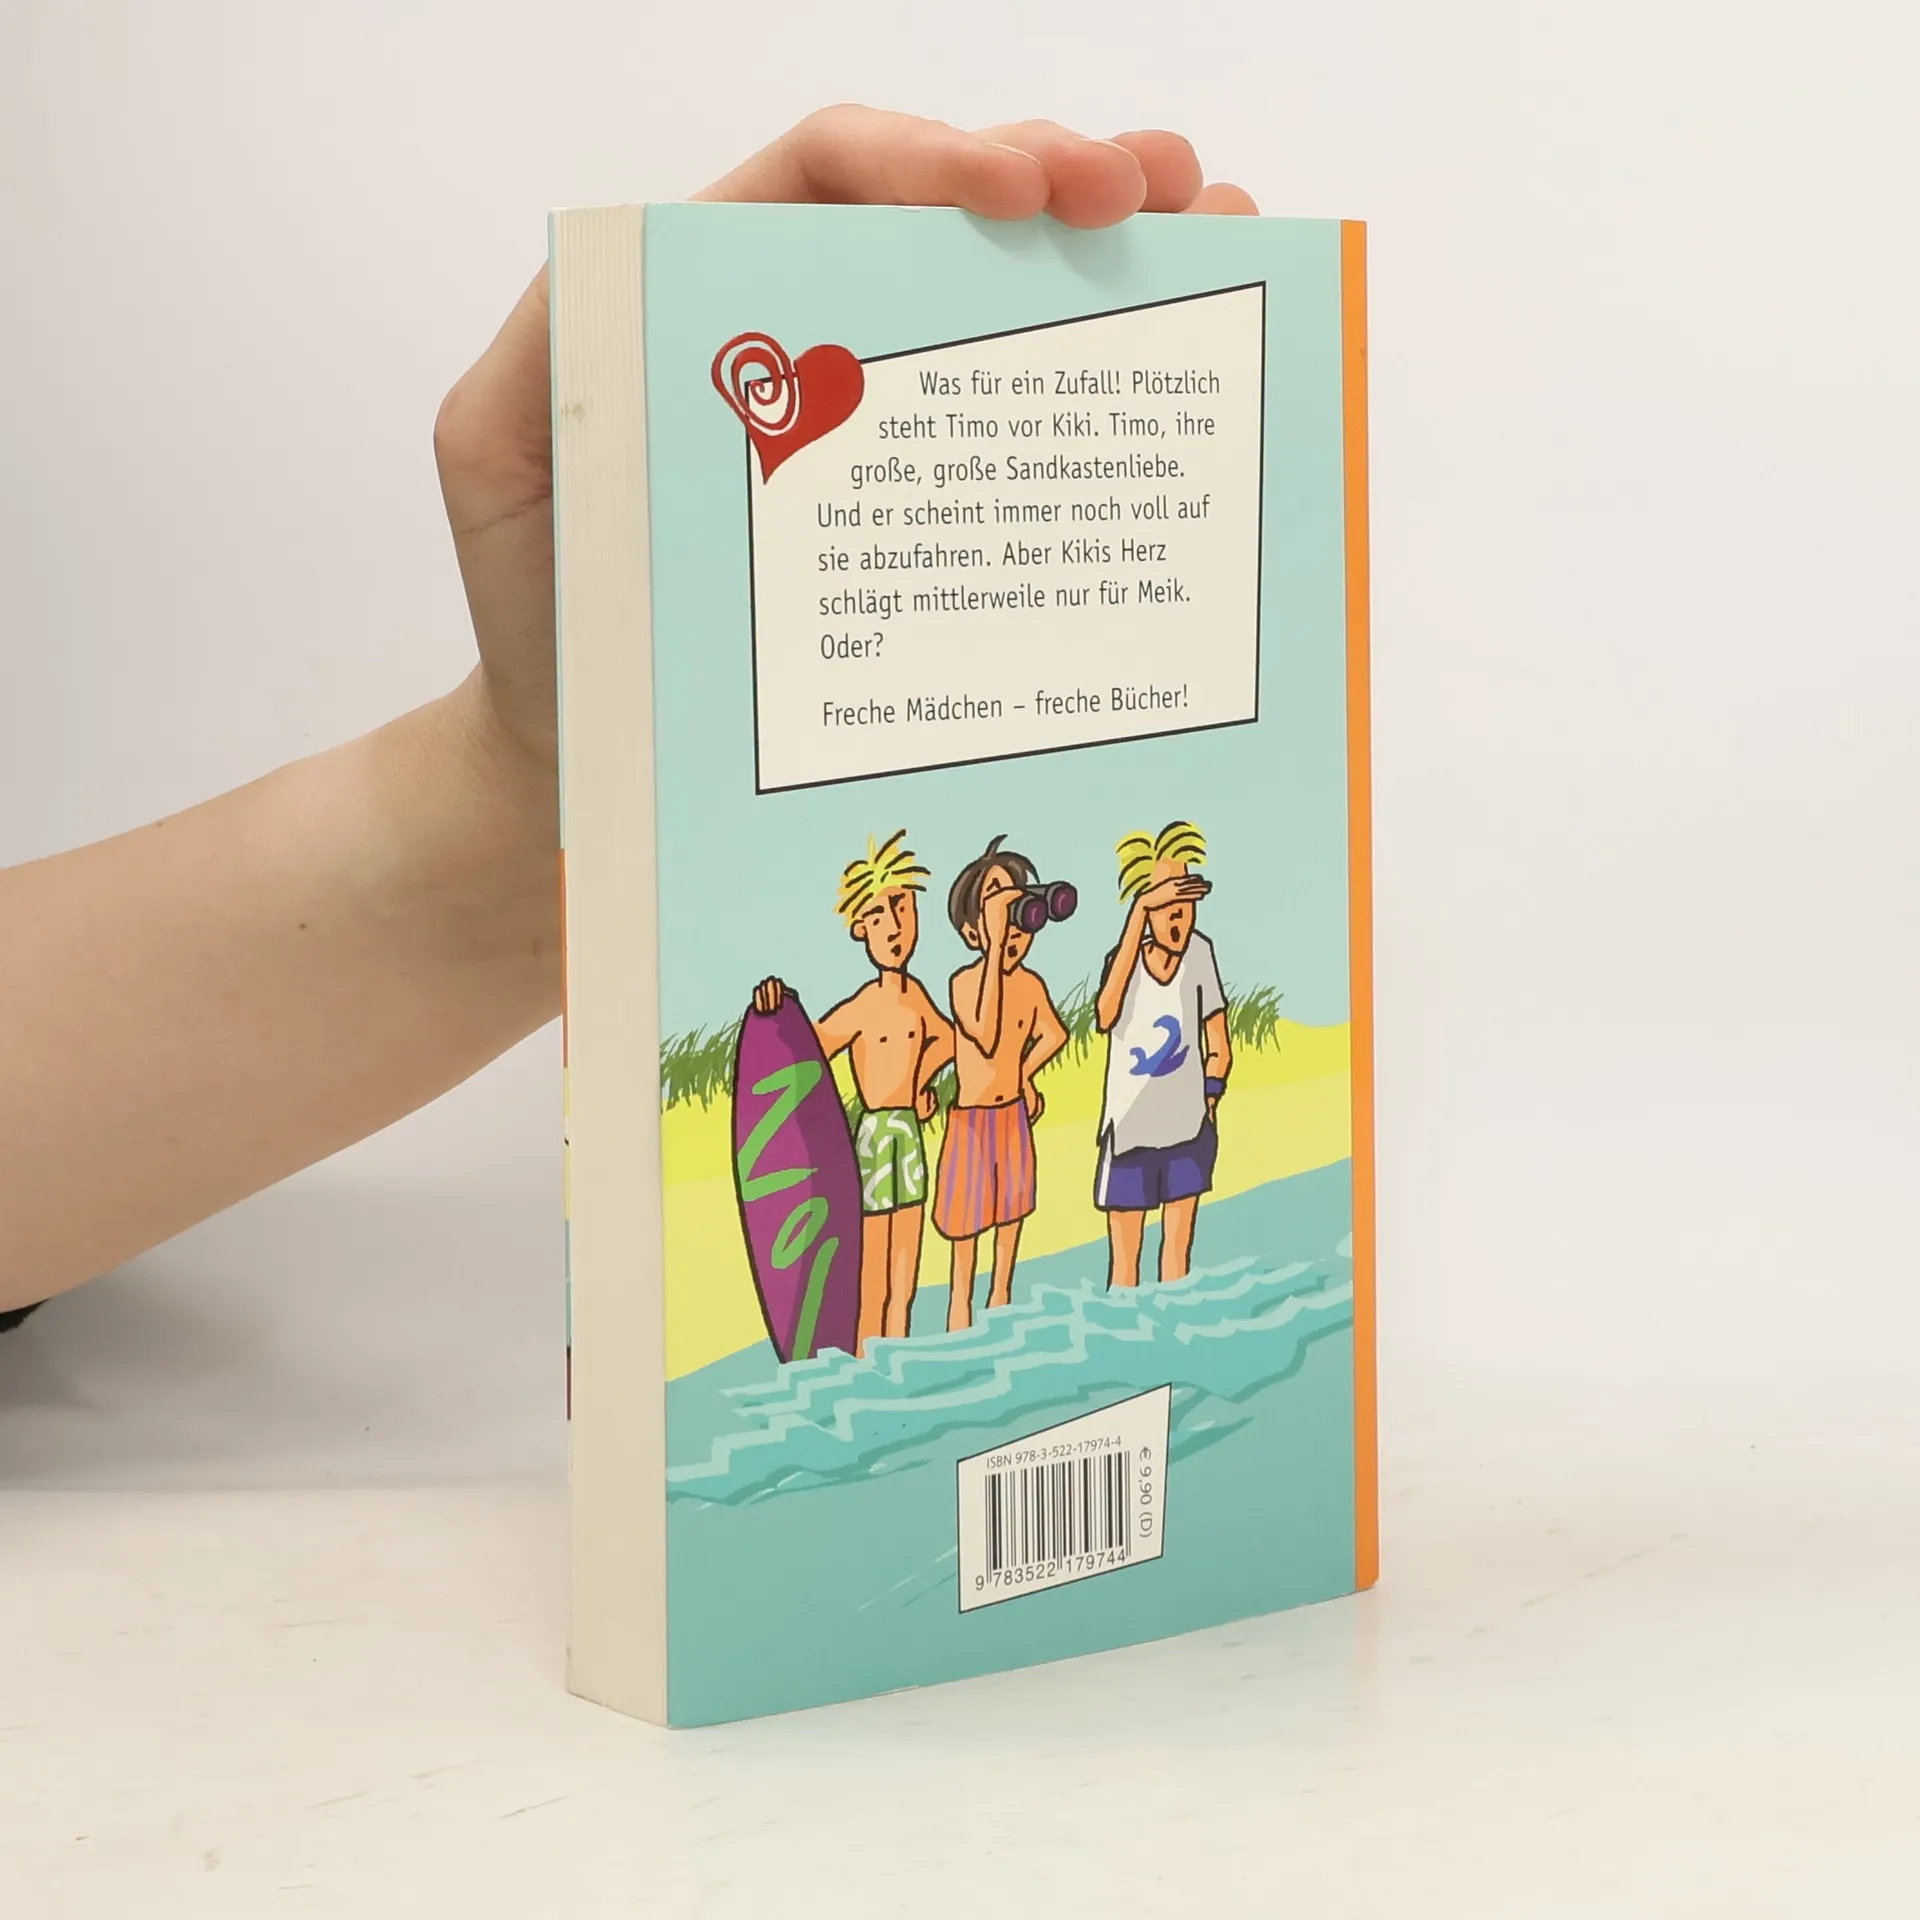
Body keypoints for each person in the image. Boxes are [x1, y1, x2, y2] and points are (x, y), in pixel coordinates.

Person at [0, 107, 1259, 1321]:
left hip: (995, 1119)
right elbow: (873, 1038)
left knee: (1006, 1250)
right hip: (920, 1135)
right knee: (907, 1265)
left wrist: (548, 794)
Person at [753, 830, 954, 1354]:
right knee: (872, 1273)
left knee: (905, 1273)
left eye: (902, 906)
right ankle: (866, 1361)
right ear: (861, 928)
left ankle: (902, 1360)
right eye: (879, 914)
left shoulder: (917, 996)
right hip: (873, 1139)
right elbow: (811, 1045)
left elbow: (947, 1039)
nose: (895, 925)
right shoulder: (864, 1005)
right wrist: (779, 1006)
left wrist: (922, 1084)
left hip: (908, 1138)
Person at [934, 836, 1070, 1330]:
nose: (1011, 928)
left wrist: (1024, 1074)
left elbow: (1055, 1034)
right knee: (965, 1230)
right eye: (996, 907)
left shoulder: (1030, 985)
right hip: (971, 1124)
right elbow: (986, 1032)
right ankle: (959, 1314)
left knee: (1011, 1218)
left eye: (1017, 908)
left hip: (1012, 1116)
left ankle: (1002, 1301)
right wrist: (994, 952)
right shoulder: (964, 982)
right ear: (971, 931)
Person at [1093, 821, 1233, 1287]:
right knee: (1124, 1270)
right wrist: (1138, 913)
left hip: (1188, 1128)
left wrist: (1211, 1092)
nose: (1179, 919)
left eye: (1186, 906)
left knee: (1177, 1261)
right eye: (1166, 906)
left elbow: (1219, 1041)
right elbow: (1105, 1015)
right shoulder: (1122, 961)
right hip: (1129, 1132)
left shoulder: (1201, 953)